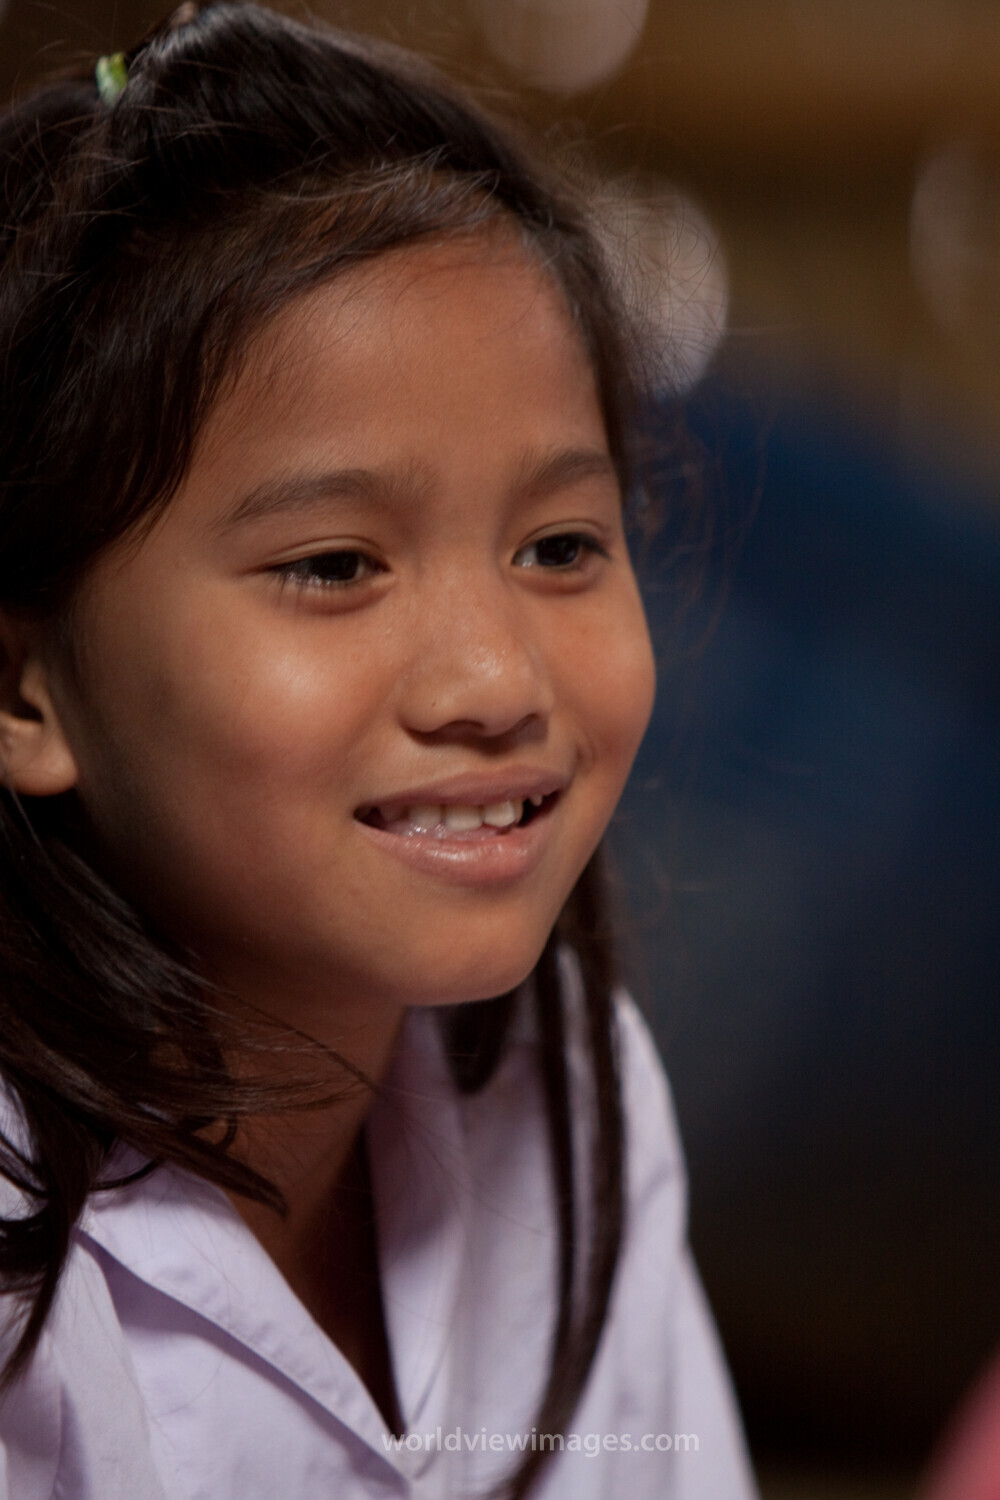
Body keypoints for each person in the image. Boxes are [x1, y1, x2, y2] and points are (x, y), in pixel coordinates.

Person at [0, 4, 756, 1496]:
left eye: (557, 544)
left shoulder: (572, 1089)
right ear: (26, 696)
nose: (493, 677)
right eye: (336, 566)